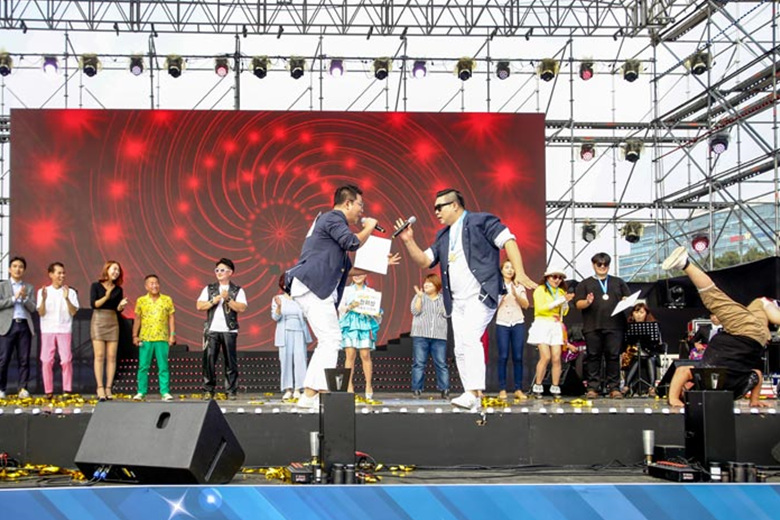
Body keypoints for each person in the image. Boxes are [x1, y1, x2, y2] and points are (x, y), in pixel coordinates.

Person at [395, 188, 536, 412]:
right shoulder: (443, 236)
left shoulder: (481, 221)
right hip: (457, 301)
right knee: (460, 347)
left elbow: (508, 240)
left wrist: (519, 272)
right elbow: (424, 261)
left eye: (439, 207)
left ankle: (472, 392)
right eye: (434, 208)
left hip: (481, 295)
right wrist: (409, 240)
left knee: (470, 338)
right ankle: (473, 396)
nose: (436, 212)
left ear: (454, 205)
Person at [287, 185, 400, 409]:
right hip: (315, 284)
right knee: (331, 339)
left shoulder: (333, 229)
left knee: (328, 340)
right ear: (347, 203)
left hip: (314, 286)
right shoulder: (333, 218)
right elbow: (353, 242)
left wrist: (380, 263)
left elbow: (348, 269)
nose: (362, 211)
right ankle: (316, 394)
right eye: (360, 205)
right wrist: (369, 227)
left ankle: (309, 395)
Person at [662, 246, 780, 408]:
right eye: (685, 387)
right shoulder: (706, 379)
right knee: (713, 297)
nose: (685, 384)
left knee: (758, 305)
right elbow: (681, 371)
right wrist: (673, 399)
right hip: (744, 331)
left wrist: (754, 400)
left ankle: (765, 304)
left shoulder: (735, 390)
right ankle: (685, 263)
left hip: (759, 338)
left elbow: (757, 375)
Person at [574, 252, 632, 399]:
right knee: (593, 356)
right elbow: (578, 304)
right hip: (592, 326)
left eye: (605, 264)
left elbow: (628, 298)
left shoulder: (618, 282)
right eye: (599, 264)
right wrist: (587, 302)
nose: (602, 267)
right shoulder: (585, 284)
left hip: (615, 326)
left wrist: (626, 300)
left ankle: (614, 388)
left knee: (613, 356)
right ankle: (593, 388)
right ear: (593, 265)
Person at [196, 258, 248, 400]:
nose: (219, 272)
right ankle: (208, 389)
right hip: (212, 330)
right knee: (209, 360)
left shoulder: (237, 290)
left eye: (222, 270)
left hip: (229, 330)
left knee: (230, 361)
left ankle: (231, 391)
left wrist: (228, 299)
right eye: (217, 270)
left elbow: (242, 308)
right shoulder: (209, 289)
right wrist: (213, 300)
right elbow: (199, 306)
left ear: (230, 272)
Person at [527, 266, 573, 398]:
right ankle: (538, 385)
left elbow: (564, 312)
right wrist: (560, 301)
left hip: (555, 325)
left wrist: (565, 303)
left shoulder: (561, 291)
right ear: (547, 277)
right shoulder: (540, 290)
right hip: (542, 324)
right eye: (554, 277)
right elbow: (540, 308)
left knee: (557, 358)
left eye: (560, 278)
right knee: (545, 356)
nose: (557, 280)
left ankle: (555, 387)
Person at [37, 262, 79, 399]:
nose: (62, 275)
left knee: (66, 360)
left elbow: (73, 312)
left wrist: (66, 299)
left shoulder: (70, 292)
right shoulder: (43, 292)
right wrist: (43, 300)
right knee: (46, 360)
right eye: (59, 273)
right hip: (47, 329)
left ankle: (67, 389)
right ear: (51, 274)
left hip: (64, 329)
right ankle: (48, 391)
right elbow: (41, 312)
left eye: (63, 273)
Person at [132, 274, 176, 401]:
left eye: (156, 283)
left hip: (162, 338)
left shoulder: (167, 299)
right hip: (145, 338)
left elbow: (171, 317)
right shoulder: (141, 300)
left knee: (163, 366)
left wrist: (172, 335)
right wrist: (134, 335)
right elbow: (137, 319)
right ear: (146, 286)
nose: (154, 285)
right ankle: (141, 392)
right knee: (143, 366)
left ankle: (165, 392)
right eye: (151, 283)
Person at [339, 274, 382, 399]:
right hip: (350, 324)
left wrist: (377, 313)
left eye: (360, 274)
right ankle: (349, 386)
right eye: (355, 274)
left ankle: (368, 385)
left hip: (364, 324)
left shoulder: (370, 292)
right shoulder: (346, 290)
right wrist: (349, 307)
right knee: (350, 355)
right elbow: (340, 308)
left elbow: (376, 310)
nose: (357, 276)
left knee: (365, 355)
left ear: (365, 275)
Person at [90, 260, 128, 401]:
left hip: (112, 321)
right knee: (99, 355)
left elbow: (117, 309)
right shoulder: (95, 286)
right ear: (106, 270)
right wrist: (106, 296)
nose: (116, 272)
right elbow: (94, 304)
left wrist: (121, 306)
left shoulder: (118, 289)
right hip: (99, 320)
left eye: (118, 270)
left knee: (112, 356)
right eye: (114, 269)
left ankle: (108, 388)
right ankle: (100, 387)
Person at [0, 256, 36, 399]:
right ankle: (1, 388)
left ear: (24, 270)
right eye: (14, 266)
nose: (17, 269)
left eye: (20, 267)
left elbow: (33, 308)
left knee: (24, 359)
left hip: (24, 325)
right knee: (4, 359)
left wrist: (25, 298)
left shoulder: (29, 287)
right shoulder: (2, 286)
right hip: (8, 325)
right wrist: (14, 298)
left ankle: (23, 388)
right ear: (9, 269)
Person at [271, 273, 311, 400]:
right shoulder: (278, 298)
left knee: (300, 360)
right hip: (284, 333)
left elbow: (307, 315)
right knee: (285, 360)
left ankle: (299, 388)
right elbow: (275, 317)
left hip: (299, 331)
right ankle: (288, 389)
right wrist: (279, 307)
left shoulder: (302, 299)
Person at [410, 273, 450, 399]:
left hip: (439, 336)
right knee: (419, 363)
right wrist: (419, 297)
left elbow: (447, 314)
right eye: (425, 282)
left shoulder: (443, 298)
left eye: (429, 283)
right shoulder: (419, 296)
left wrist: (445, 300)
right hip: (420, 335)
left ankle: (444, 389)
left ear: (437, 285)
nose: (426, 284)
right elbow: (415, 311)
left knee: (441, 363)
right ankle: (417, 389)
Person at [496, 259, 530, 401]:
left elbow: (526, 305)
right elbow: (492, 306)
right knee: (503, 356)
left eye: (512, 268)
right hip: (502, 322)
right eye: (507, 267)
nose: (510, 270)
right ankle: (502, 389)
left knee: (518, 356)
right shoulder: (497, 285)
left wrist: (516, 294)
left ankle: (518, 388)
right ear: (501, 270)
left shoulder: (518, 285)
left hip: (517, 322)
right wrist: (502, 295)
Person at [623, 302, 662, 397]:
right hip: (634, 354)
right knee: (636, 360)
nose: (639, 315)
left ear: (646, 314)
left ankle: (652, 387)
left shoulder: (653, 326)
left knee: (650, 359)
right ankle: (626, 386)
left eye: (641, 312)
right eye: (636, 312)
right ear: (632, 314)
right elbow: (625, 343)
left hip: (649, 353)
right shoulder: (628, 326)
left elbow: (657, 344)